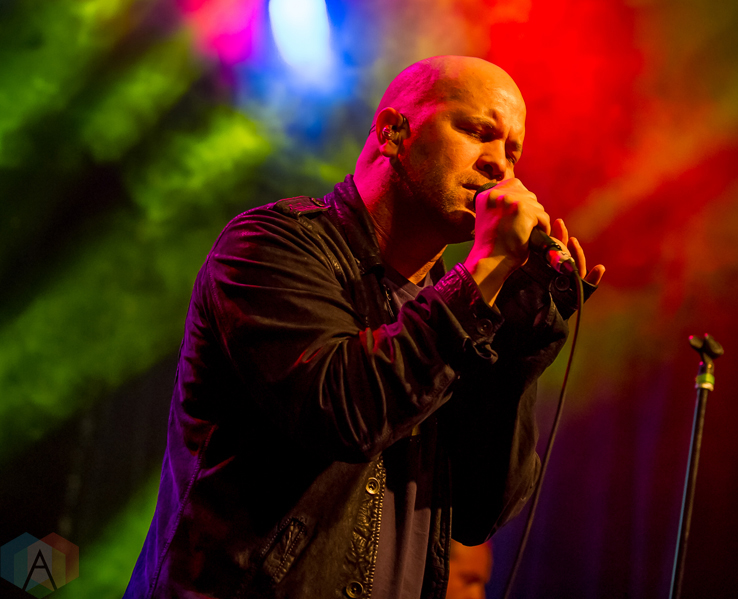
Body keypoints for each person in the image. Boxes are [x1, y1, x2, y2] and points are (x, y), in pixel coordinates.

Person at [125, 55, 604, 599]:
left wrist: (518, 344)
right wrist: (484, 271)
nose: (501, 166)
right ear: (393, 132)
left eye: (513, 152)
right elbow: (345, 413)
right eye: (477, 132)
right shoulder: (269, 246)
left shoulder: (458, 308)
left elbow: (479, 512)